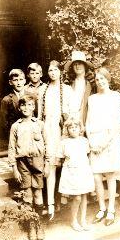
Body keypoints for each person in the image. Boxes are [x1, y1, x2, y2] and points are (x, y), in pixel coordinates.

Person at [86, 67, 120, 226]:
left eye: (102, 78)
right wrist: (91, 141)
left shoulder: (117, 97)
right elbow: (88, 122)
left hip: (110, 139)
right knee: (96, 176)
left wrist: (105, 142)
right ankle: (101, 209)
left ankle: (111, 210)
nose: (100, 81)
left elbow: (119, 122)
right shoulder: (92, 99)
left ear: (107, 79)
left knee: (110, 175)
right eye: (97, 79)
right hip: (95, 141)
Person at [39, 60, 74, 220]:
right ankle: (51, 203)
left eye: (55, 70)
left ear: (60, 72)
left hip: (63, 129)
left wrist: (66, 124)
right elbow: (39, 115)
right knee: (50, 166)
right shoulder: (43, 90)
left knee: (66, 163)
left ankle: (66, 198)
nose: (52, 73)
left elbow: (71, 114)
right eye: (50, 70)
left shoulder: (67, 89)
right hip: (48, 129)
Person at [8, 94, 46, 240]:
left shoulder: (39, 124)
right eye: (23, 105)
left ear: (34, 107)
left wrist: (47, 164)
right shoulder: (16, 126)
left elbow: (47, 144)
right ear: (19, 107)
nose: (26, 108)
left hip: (37, 161)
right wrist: (14, 169)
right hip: (22, 163)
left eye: (30, 105)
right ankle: (31, 225)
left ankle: (39, 225)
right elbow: (11, 148)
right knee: (28, 194)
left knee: (38, 193)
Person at [56, 117, 95, 231]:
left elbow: (87, 155)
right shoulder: (64, 142)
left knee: (83, 196)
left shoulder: (84, 141)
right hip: (71, 172)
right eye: (71, 127)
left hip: (83, 170)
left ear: (80, 128)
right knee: (77, 197)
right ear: (67, 130)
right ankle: (73, 220)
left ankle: (82, 220)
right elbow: (59, 159)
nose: (73, 129)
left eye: (76, 127)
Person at [64, 50, 94, 127]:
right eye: (75, 64)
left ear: (85, 66)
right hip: (72, 120)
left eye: (80, 64)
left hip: (87, 118)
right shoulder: (68, 84)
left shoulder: (92, 84)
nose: (77, 67)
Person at [1, 69, 27, 138]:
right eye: (15, 80)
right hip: (15, 134)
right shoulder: (6, 100)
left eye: (21, 79)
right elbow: (5, 122)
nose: (18, 83)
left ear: (25, 81)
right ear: (10, 82)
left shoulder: (31, 96)